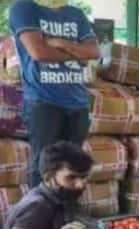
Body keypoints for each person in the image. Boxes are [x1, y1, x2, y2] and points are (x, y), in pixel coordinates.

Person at [10, 0, 100, 187]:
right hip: (43, 101)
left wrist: (60, 43)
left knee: (74, 167)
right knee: (44, 166)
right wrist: (77, 52)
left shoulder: (76, 14)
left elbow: (94, 51)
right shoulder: (24, 8)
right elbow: (39, 52)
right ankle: (40, 213)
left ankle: (67, 214)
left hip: (78, 103)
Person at [1, 141, 98, 229]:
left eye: (83, 177)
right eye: (71, 177)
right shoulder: (38, 206)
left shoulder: (57, 197)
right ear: (49, 178)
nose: (80, 184)